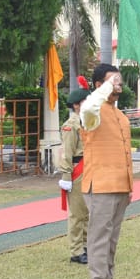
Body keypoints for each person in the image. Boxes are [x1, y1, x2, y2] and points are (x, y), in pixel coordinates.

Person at [80, 64, 134, 279]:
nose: (119, 84)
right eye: (113, 80)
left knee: (112, 239)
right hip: (100, 185)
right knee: (99, 238)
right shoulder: (93, 112)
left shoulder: (119, 113)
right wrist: (105, 88)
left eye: (119, 81)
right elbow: (89, 106)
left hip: (121, 185)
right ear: (98, 86)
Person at [57, 77, 91, 265]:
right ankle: (76, 250)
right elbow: (66, 153)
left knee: (87, 213)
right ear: (77, 105)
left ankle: (85, 246)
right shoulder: (72, 125)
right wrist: (66, 175)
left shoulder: (88, 122)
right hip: (77, 170)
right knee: (77, 214)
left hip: (89, 168)